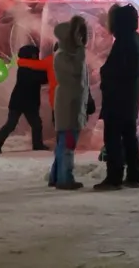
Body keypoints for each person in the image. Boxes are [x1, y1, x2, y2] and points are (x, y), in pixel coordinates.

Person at [95, 3, 139, 190]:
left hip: (118, 98)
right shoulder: (137, 39)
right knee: (129, 136)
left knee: (113, 137)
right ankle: (134, 174)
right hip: (130, 97)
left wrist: (105, 73)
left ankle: (114, 176)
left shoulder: (124, 42)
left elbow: (117, 69)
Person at [49, 15, 89, 190]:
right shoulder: (65, 56)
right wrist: (80, 50)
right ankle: (65, 178)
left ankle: (56, 176)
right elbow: (76, 73)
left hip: (71, 105)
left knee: (63, 143)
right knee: (68, 144)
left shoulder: (64, 55)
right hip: (70, 106)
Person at [0, 41, 49, 153]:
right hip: (22, 102)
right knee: (12, 125)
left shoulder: (25, 67)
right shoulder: (25, 69)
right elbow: (40, 79)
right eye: (35, 55)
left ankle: (37, 144)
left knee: (35, 124)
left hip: (24, 102)